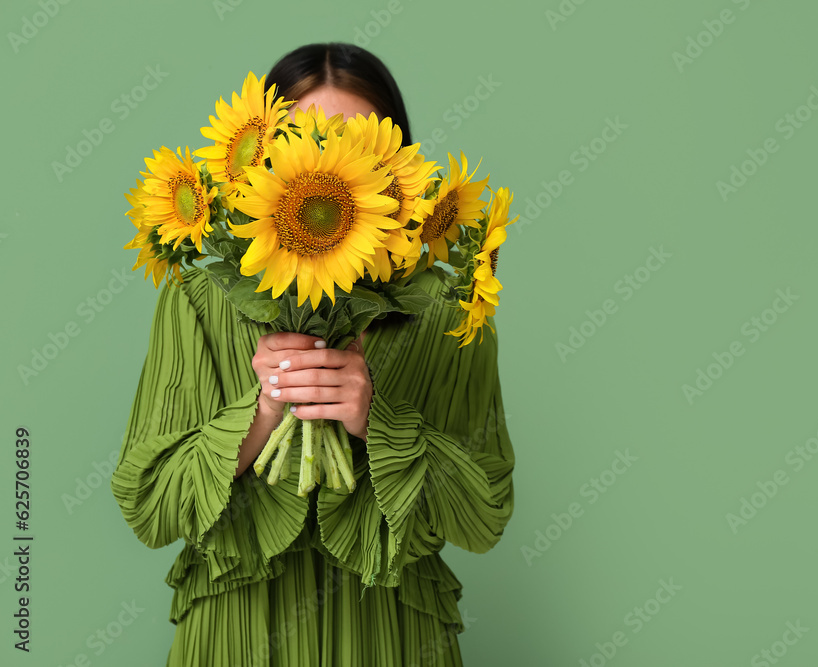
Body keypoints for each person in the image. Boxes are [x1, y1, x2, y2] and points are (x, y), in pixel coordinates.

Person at [110, 42, 515, 666]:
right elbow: (150, 505)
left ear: (398, 169)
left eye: (357, 146)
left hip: (394, 635)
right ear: (257, 161)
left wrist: (377, 421)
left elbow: (484, 514)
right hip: (234, 636)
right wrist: (264, 409)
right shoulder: (200, 295)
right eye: (304, 138)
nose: (325, 160)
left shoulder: (447, 308)